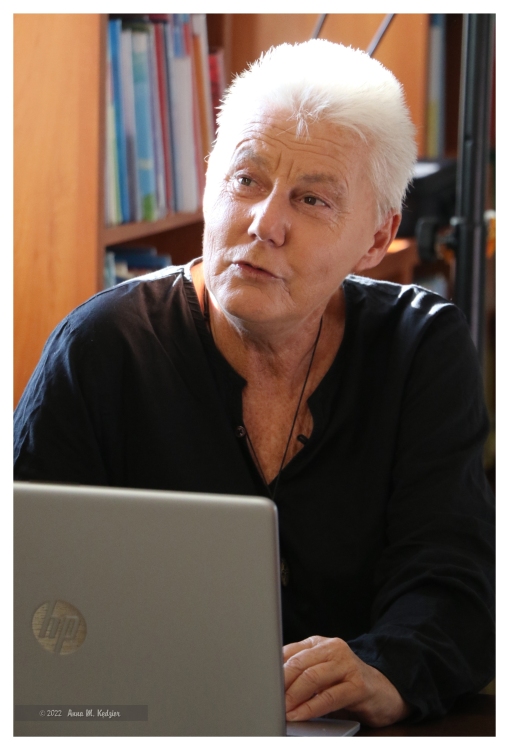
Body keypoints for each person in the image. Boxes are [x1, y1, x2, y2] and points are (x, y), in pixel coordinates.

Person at [14, 40, 495, 727]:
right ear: (209, 184)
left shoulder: (420, 348)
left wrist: (384, 670)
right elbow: (25, 581)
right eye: (245, 179)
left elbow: (454, 583)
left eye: (311, 199)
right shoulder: (100, 348)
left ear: (374, 238)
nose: (265, 223)